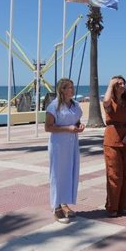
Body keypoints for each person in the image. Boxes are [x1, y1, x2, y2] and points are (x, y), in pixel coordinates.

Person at [45, 78, 85, 224]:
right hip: (58, 145)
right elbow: (48, 127)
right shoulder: (53, 106)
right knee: (57, 174)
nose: (72, 90)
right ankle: (56, 207)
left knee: (70, 173)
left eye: (72, 87)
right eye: (69, 87)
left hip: (72, 143)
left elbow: (76, 120)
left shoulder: (75, 105)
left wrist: (79, 126)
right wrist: (67, 129)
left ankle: (64, 203)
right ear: (62, 89)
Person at [102, 75, 126, 217]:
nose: (122, 85)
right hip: (112, 138)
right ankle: (112, 207)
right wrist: (111, 85)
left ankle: (124, 206)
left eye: (123, 83)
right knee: (114, 174)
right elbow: (105, 102)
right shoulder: (110, 102)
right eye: (118, 84)